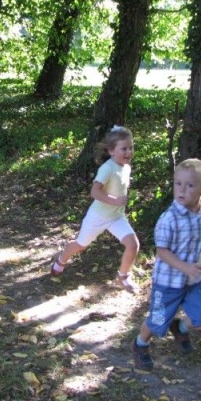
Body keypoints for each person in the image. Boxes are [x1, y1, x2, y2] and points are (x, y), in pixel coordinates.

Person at [131, 158, 201, 370]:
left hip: (194, 279)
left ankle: (180, 328)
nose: (182, 190)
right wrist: (185, 267)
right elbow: (162, 251)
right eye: (177, 183)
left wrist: (193, 266)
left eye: (190, 186)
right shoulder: (168, 219)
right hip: (167, 281)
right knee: (157, 320)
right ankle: (140, 344)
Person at [50, 125, 141, 292]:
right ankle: (61, 260)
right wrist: (115, 201)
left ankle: (123, 277)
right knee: (81, 245)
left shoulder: (126, 167)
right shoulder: (107, 168)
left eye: (131, 148)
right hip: (98, 216)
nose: (128, 152)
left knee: (133, 244)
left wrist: (118, 204)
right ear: (112, 150)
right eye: (124, 148)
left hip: (116, 217)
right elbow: (94, 192)